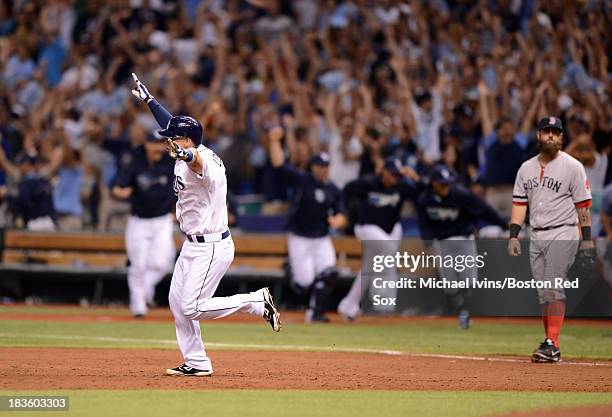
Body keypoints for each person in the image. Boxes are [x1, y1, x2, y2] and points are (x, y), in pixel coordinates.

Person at [131, 73, 281, 377]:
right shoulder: (186, 143)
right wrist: (150, 101)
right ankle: (197, 362)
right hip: (192, 244)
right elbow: (174, 123)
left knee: (191, 306)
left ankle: (254, 301)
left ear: (187, 142)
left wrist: (187, 154)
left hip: (212, 245)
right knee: (177, 303)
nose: (167, 139)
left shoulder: (205, 162)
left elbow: (197, 163)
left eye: (172, 138)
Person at [508, 116, 593, 363]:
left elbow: (583, 206)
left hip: (564, 231)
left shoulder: (573, 166)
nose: (551, 136)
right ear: (538, 135)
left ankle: (552, 344)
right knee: (544, 293)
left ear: (562, 137)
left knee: (553, 287)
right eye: (547, 132)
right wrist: (513, 235)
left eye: (556, 132)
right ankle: (549, 342)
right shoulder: (526, 168)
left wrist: (586, 240)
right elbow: (519, 204)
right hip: (537, 234)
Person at [268, 125, 348, 323]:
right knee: (304, 283)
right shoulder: (304, 180)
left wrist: (339, 219)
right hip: (299, 236)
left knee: (329, 272)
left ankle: (315, 313)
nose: (324, 169)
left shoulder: (333, 189)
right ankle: (291, 270)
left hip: (321, 237)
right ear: (313, 167)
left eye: (326, 166)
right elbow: (279, 164)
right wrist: (274, 141)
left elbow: (343, 213)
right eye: (320, 166)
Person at [417, 165, 507, 329]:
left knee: (469, 281)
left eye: (447, 183)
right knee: (450, 286)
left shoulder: (461, 195)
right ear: (433, 183)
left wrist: (502, 223)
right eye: (441, 184)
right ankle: (459, 310)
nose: (445, 187)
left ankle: (465, 314)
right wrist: (427, 240)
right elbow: (424, 224)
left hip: (463, 239)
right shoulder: (425, 199)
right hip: (442, 242)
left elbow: (484, 210)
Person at [337, 157, 421, 320]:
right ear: (383, 172)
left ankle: (348, 305)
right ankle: (382, 297)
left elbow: (423, 193)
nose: (394, 178)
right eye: (392, 174)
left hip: (391, 229)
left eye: (397, 175)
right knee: (389, 251)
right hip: (367, 227)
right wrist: (344, 213)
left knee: (369, 268)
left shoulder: (402, 186)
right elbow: (346, 190)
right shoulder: (369, 183)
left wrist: (415, 177)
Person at [111, 133, 176, 318]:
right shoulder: (134, 163)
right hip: (138, 221)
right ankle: (138, 306)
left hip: (162, 220)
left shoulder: (170, 163)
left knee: (162, 262)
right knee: (137, 265)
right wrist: (119, 192)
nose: (158, 147)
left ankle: (146, 289)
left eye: (161, 143)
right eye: (154, 143)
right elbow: (117, 186)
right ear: (147, 144)